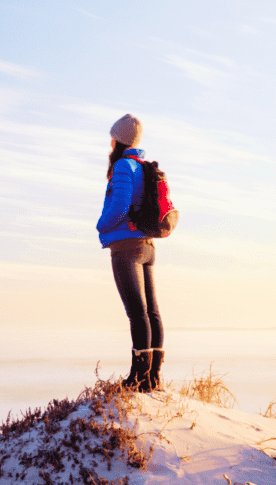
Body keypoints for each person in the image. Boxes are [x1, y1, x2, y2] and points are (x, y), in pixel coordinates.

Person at [96, 113, 164, 392]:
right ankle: (153, 376)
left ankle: (139, 377)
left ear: (118, 140)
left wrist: (101, 225)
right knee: (151, 312)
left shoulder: (124, 166)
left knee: (137, 313)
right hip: (146, 246)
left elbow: (120, 207)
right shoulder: (140, 165)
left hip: (127, 247)